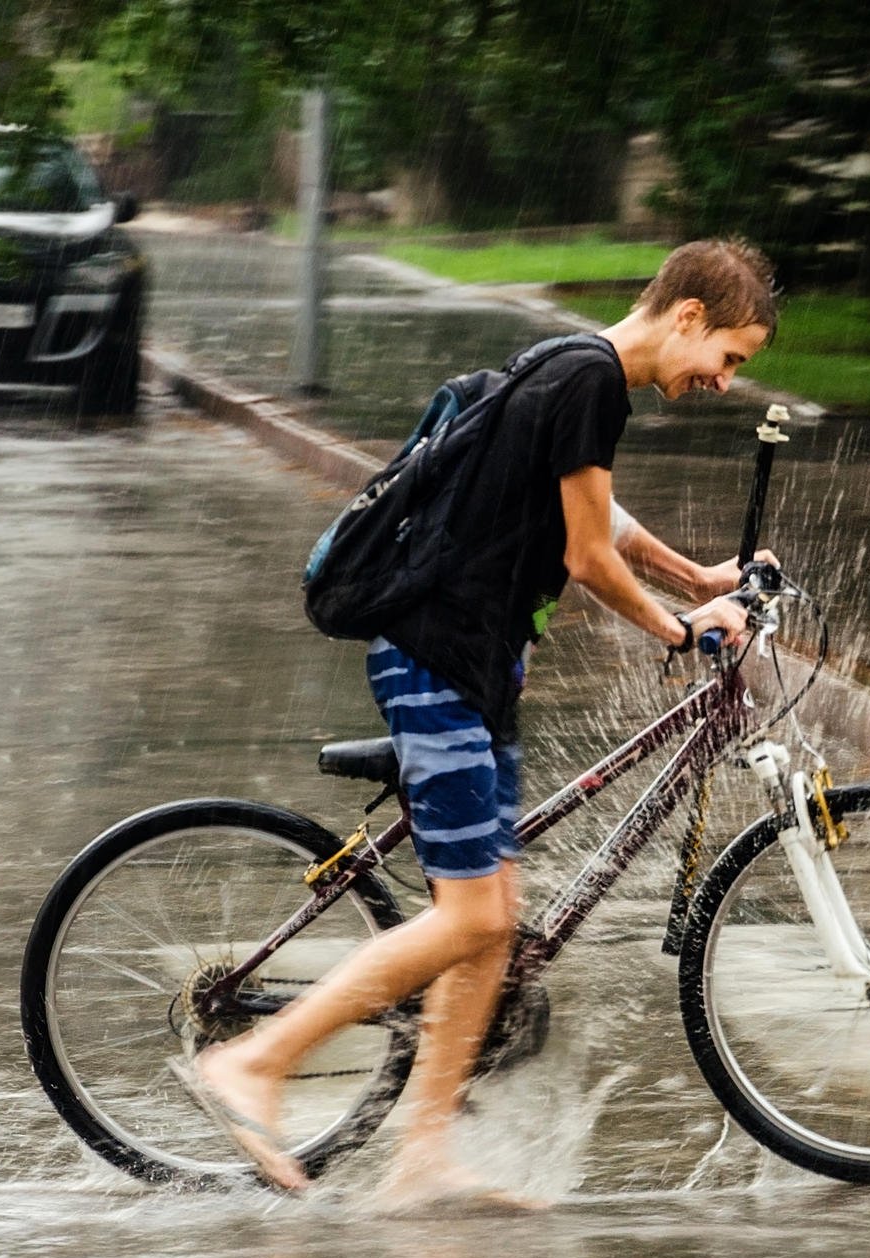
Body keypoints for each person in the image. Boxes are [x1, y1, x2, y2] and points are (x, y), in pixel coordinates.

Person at [176, 239, 779, 1204]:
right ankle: (257, 1061)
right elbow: (587, 555)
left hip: (477, 667)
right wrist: (681, 630)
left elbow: (603, 515)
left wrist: (700, 575)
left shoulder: (574, 368)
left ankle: (423, 1154)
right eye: (730, 358)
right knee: (476, 915)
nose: (723, 379)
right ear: (689, 317)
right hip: (434, 659)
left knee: (490, 933)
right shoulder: (590, 380)